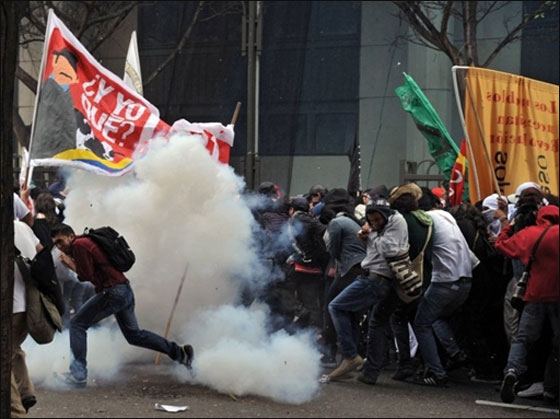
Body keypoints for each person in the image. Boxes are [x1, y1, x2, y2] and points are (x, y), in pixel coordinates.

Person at [50, 223, 194, 387]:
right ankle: (180, 353)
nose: (59, 247)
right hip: (123, 290)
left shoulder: (79, 245)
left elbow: (86, 276)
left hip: (113, 292)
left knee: (77, 324)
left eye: (60, 241)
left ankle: (78, 375)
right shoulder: (84, 242)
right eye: (56, 244)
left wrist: (70, 264)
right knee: (134, 335)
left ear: (71, 236)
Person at [326, 198, 409, 383]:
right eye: (371, 221)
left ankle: (350, 356)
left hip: (377, 279)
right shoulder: (383, 227)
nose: (375, 223)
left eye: (378, 220)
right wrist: (367, 236)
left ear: (386, 215)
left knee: (336, 307)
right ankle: (369, 373)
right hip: (377, 277)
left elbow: (389, 249)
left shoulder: (396, 222)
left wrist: (370, 234)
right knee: (376, 323)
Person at [495, 205, 559, 404]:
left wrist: (508, 224)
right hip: (557, 294)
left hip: (534, 294)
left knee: (522, 339)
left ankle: (512, 370)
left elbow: (501, 245)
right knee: (556, 344)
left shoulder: (529, 233)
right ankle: (551, 388)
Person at [413, 203, 473, 386]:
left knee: (421, 323)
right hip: (465, 280)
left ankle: (437, 373)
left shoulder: (426, 221)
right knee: (437, 318)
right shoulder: (448, 218)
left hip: (445, 281)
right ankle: (455, 354)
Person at [321, 188, 367, 365]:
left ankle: (330, 354)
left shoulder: (336, 223)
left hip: (348, 270)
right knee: (352, 313)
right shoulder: (352, 221)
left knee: (331, 307)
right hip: (359, 270)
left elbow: (333, 250)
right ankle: (352, 355)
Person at [12, 220, 43, 417]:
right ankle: (25, 393)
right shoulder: (22, 227)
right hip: (29, 305)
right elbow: (41, 253)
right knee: (12, 348)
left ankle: (15, 411)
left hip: (11, 307)